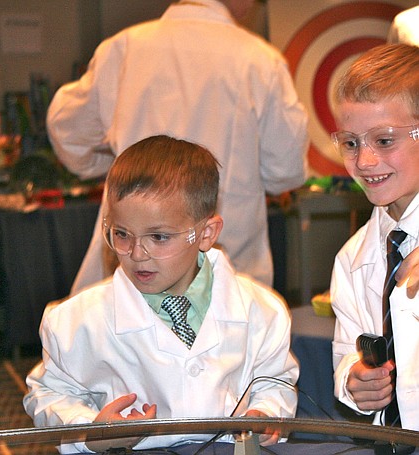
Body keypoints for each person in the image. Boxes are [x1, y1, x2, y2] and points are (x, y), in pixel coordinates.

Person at [23, 135, 299, 454]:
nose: (137, 253)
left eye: (159, 237)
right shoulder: (74, 321)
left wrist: (265, 413)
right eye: (122, 234)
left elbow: (275, 380)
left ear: (206, 234)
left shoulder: (262, 311)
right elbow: (48, 394)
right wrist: (89, 431)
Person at [47, 0, 309, 293]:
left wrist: (114, 167)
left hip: (132, 262)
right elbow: (286, 171)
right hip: (226, 265)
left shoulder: (123, 48)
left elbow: (67, 129)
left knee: (120, 333)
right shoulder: (260, 60)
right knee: (221, 332)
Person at [330, 44, 419, 431]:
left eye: (384, 141)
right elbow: (348, 348)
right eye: (351, 143)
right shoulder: (352, 258)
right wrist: (353, 381)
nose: (364, 162)